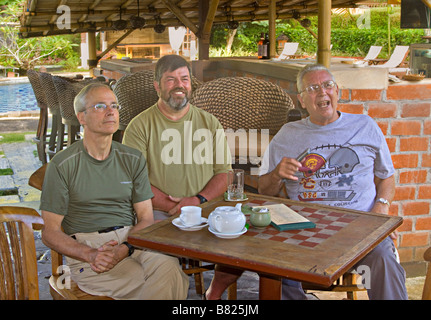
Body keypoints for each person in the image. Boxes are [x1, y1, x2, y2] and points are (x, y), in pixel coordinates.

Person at [258, 64, 408, 300]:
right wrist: (277, 174)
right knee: (275, 267)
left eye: (328, 85)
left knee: (383, 259)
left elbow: (386, 176)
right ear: (302, 100)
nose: (322, 92)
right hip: (304, 230)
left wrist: (382, 208)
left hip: (361, 228)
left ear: (337, 91)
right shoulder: (287, 134)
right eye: (313, 88)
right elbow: (263, 189)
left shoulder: (365, 126)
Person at [40, 82, 189, 300]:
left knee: (169, 267)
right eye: (100, 106)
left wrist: (124, 248)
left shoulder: (133, 159)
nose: (111, 111)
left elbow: (146, 218)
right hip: (88, 249)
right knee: (152, 280)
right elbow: (49, 232)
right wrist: (89, 254)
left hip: (133, 240)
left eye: (114, 105)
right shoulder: (63, 165)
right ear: (81, 117)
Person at [122, 55, 231, 218]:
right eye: (171, 80)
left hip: (205, 206)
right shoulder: (139, 127)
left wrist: (198, 200)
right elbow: (134, 183)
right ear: (157, 87)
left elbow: (225, 173)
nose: (179, 85)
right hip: (159, 212)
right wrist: (177, 207)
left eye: (184, 79)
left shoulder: (209, 122)